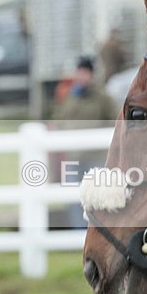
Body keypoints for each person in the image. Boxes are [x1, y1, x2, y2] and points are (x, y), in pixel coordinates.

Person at [51, 56, 118, 227]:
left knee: (96, 198)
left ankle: (95, 231)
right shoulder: (69, 96)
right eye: (79, 73)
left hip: (94, 157)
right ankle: (77, 232)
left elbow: (115, 120)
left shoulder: (103, 97)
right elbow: (59, 120)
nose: (81, 77)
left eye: (84, 73)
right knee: (72, 197)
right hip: (72, 156)